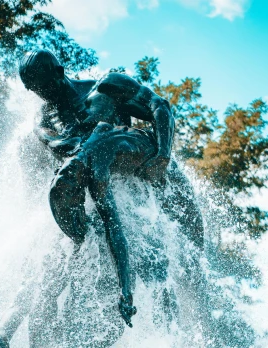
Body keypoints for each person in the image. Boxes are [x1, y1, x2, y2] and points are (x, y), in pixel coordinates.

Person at [19, 49, 204, 328]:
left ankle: (199, 321)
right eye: (35, 89)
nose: (42, 94)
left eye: (44, 85)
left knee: (194, 261)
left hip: (154, 173)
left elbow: (159, 106)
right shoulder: (45, 122)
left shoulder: (106, 87)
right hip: (109, 188)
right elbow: (71, 153)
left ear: (59, 72)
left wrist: (163, 156)